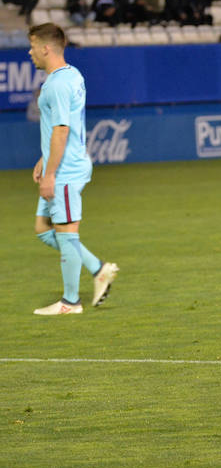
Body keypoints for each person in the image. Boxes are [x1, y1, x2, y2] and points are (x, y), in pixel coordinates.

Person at [27, 23, 118, 316]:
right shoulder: (71, 75)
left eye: (32, 46)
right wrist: (44, 159)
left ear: (46, 48)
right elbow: (59, 126)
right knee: (44, 230)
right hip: (60, 164)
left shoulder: (57, 84)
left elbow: (62, 131)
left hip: (65, 171)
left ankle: (70, 302)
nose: (29, 52)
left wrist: (51, 173)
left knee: (67, 234)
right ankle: (97, 268)